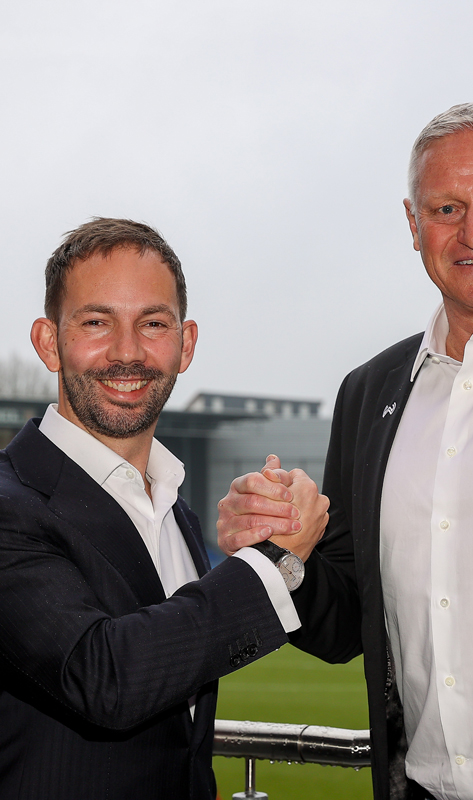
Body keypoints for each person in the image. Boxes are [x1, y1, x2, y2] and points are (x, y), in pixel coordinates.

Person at [217, 102, 473, 800]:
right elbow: (345, 622)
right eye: (447, 209)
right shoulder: (368, 392)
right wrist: (282, 550)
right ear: (413, 224)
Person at [0, 217, 328, 800]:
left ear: (186, 343)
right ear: (49, 342)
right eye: (96, 322)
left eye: (152, 323)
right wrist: (274, 564)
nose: (127, 352)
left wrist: (264, 536)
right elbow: (105, 678)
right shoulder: (9, 502)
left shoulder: (175, 510)